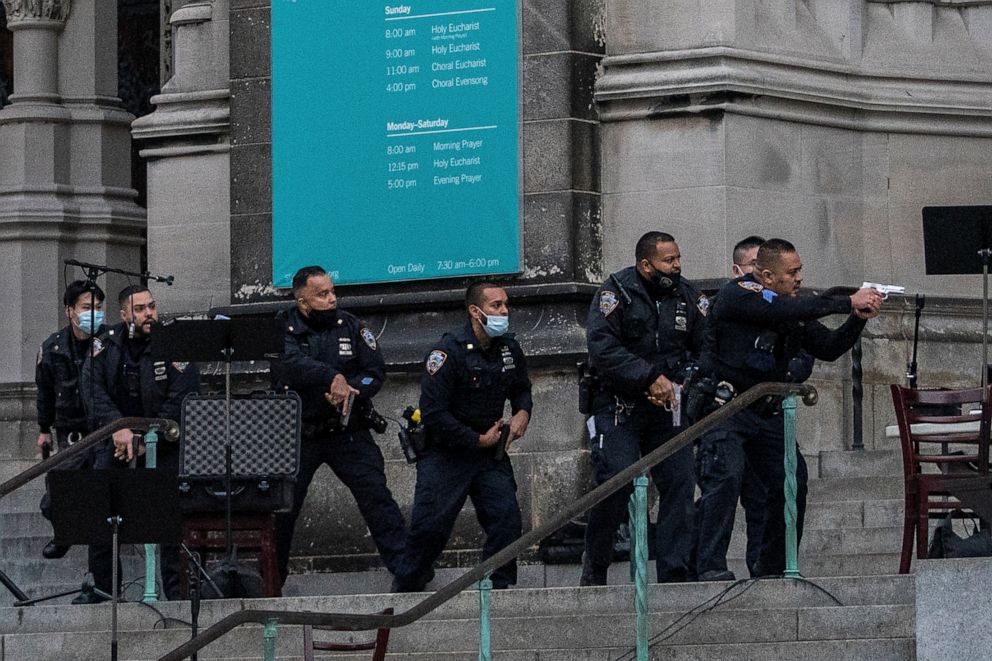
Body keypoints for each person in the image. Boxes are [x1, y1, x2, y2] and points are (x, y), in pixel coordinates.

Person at [694, 238, 882, 578]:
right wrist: (846, 299)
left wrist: (857, 317)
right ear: (766, 275)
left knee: (791, 481)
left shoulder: (791, 306)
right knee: (725, 477)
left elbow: (827, 346)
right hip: (728, 407)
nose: (798, 278)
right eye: (791, 272)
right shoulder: (739, 294)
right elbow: (779, 309)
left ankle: (773, 569)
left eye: (800, 271)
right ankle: (709, 569)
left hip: (766, 411)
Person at [581, 231, 708, 585]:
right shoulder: (615, 293)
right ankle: (596, 564)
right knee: (615, 482)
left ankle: (674, 571)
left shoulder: (688, 297)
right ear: (645, 264)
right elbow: (603, 350)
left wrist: (680, 381)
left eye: (678, 258)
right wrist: (648, 378)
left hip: (668, 405)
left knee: (681, 482)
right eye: (669, 261)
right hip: (619, 405)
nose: (677, 266)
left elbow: (705, 349)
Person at [392, 282, 533, 592]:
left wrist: (522, 413)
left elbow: (522, 388)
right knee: (430, 528)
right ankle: (407, 589)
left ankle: (498, 587)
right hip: (447, 452)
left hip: (488, 454)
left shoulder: (509, 348)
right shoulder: (447, 352)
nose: (504, 311)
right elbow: (434, 414)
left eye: (505, 305)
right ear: (475, 311)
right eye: (496, 306)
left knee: (506, 520)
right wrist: (474, 440)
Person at [274, 266, 406, 586]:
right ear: (301, 300)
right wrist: (331, 377)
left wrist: (352, 388)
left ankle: (408, 570)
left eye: (333, 292)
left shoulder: (351, 326)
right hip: (299, 434)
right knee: (281, 509)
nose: (332, 299)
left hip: (347, 430)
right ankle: (271, 580)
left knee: (377, 498)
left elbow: (375, 372)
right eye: (322, 294)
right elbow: (290, 364)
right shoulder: (283, 327)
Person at [83, 284, 200, 602]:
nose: (149, 313)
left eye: (152, 306)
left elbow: (183, 396)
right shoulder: (105, 345)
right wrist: (118, 429)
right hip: (117, 442)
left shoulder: (172, 342)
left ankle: (175, 595)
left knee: (166, 519)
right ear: (124, 314)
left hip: (163, 443)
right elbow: (91, 390)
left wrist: (150, 436)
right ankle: (106, 593)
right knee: (99, 512)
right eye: (140, 309)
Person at [35, 280, 107, 560]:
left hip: (102, 428)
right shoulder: (53, 348)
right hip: (70, 429)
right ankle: (65, 531)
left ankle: (97, 571)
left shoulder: (107, 342)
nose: (95, 313)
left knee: (97, 499)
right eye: (88, 308)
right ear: (70, 311)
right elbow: (45, 391)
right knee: (55, 495)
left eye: (99, 308)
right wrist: (44, 429)